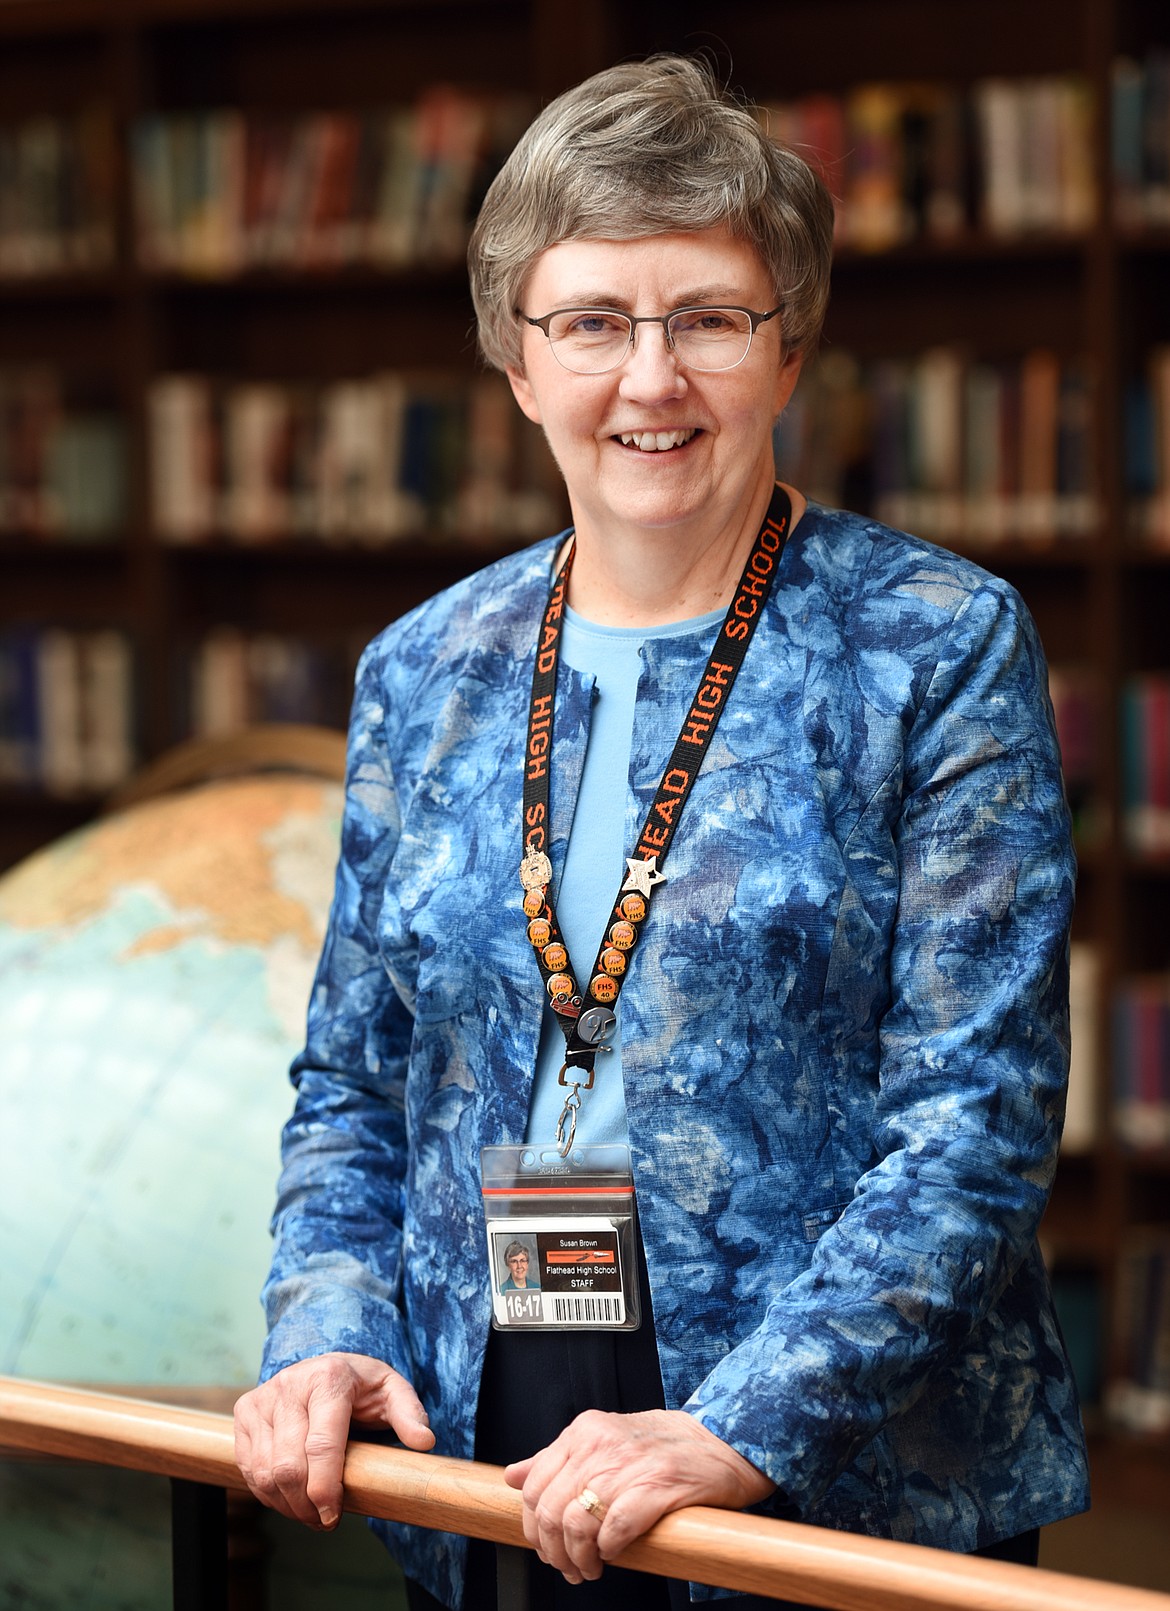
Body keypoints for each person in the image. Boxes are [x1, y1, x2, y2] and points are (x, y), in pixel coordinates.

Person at [233, 54, 1090, 1611]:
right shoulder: (424, 665)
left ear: (788, 347)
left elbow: (975, 1118)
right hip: (494, 1414)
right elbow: (355, 1077)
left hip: (825, 1461)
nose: (650, 379)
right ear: (515, 360)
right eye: (591, 323)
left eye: (706, 317)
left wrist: (729, 1427)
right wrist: (324, 1331)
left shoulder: (936, 647)